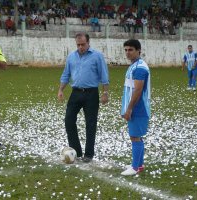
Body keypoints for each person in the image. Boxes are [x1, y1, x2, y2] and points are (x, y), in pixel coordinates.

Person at [58, 33, 109, 163]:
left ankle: (89, 154)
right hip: (75, 93)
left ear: (88, 43)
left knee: (90, 124)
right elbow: (66, 74)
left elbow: (104, 75)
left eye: (83, 44)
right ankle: (76, 151)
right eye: (78, 45)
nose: (81, 47)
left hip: (91, 93)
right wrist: (61, 90)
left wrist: (105, 93)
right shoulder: (71, 57)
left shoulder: (97, 56)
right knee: (69, 120)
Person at [120, 39, 150, 176]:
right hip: (136, 107)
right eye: (126, 50)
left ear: (139, 50)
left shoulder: (139, 68)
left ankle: (135, 167)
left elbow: (138, 90)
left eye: (130, 50)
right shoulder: (135, 65)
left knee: (134, 136)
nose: (127, 52)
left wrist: (130, 108)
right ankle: (139, 164)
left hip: (138, 108)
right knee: (137, 136)